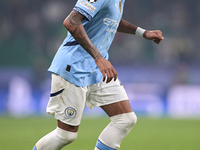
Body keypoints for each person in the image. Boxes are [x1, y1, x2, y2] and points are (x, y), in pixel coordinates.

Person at [33, 0, 164, 150]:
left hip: (95, 69)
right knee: (66, 135)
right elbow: (71, 21)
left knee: (125, 119)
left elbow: (111, 19)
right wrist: (98, 57)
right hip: (74, 67)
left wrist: (143, 32)